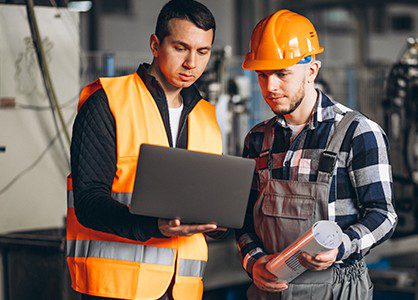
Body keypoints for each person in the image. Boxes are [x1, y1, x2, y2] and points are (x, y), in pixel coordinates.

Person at [67, 1, 227, 299]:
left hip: (182, 290)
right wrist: (153, 226)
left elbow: (207, 197)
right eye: (181, 48)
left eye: (202, 52)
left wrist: (219, 223)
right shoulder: (108, 102)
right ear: (155, 44)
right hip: (115, 288)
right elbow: (88, 201)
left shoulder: (206, 116)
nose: (192, 63)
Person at [236, 9, 398, 299]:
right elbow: (245, 219)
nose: (270, 87)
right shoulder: (258, 139)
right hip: (269, 290)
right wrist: (253, 260)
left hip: (337, 289)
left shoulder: (357, 132)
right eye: (262, 75)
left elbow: (383, 215)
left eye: (281, 74)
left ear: (311, 70)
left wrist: (342, 246)